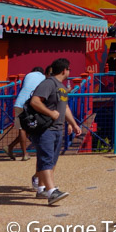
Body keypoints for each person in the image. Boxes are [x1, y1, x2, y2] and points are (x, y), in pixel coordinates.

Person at [29, 58, 82, 205]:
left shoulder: (61, 87)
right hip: (45, 128)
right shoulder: (48, 83)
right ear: (64, 70)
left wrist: (73, 124)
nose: (69, 72)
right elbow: (35, 101)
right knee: (46, 158)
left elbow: (64, 108)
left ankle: (42, 189)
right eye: (69, 69)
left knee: (50, 160)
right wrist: (50, 113)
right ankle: (51, 192)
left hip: (58, 128)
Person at [7, 66, 46, 161]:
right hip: (31, 105)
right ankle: (24, 153)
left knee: (23, 128)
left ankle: (11, 147)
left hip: (19, 103)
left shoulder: (28, 75)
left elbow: (22, 88)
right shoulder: (44, 78)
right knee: (28, 128)